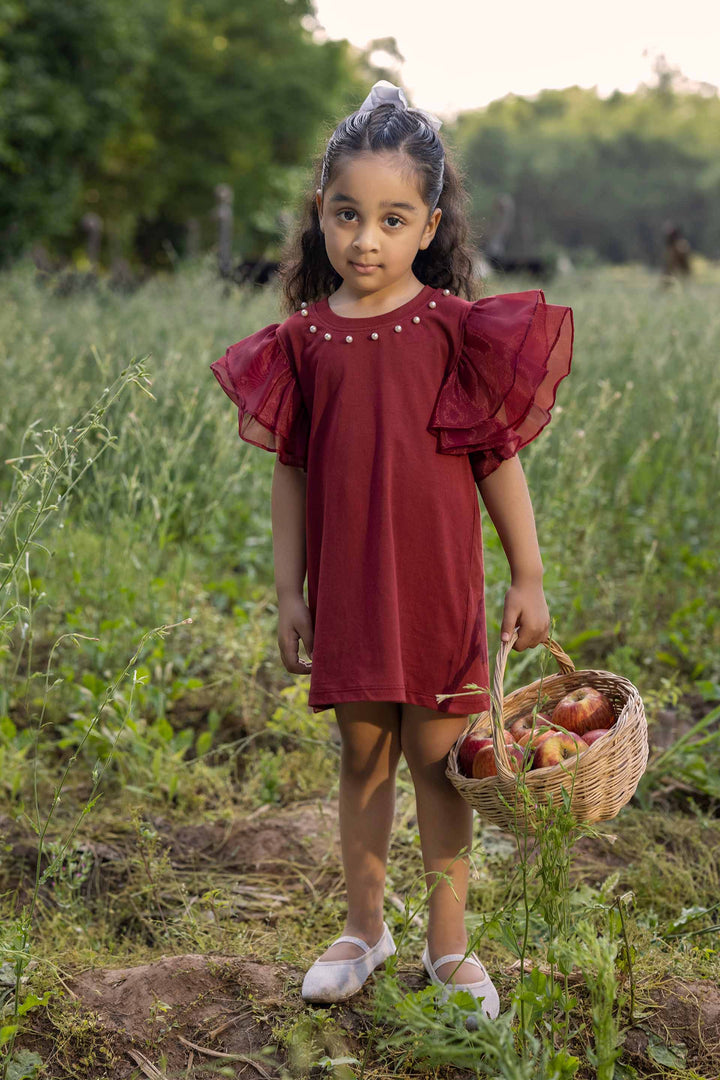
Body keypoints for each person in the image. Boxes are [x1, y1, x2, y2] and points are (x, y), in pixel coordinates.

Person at [211, 81, 573, 1016]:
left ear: (428, 225)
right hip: (351, 591)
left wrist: (527, 573)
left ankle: (449, 949)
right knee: (362, 758)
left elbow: (495, 458)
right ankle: (364, 929)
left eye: (391, 217)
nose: (364, 239)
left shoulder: (457, 333)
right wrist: (289, 591)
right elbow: (291, 467)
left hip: (436, 589)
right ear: (321, 217)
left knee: (438, 762)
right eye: (346, 214)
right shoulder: (301, 341)